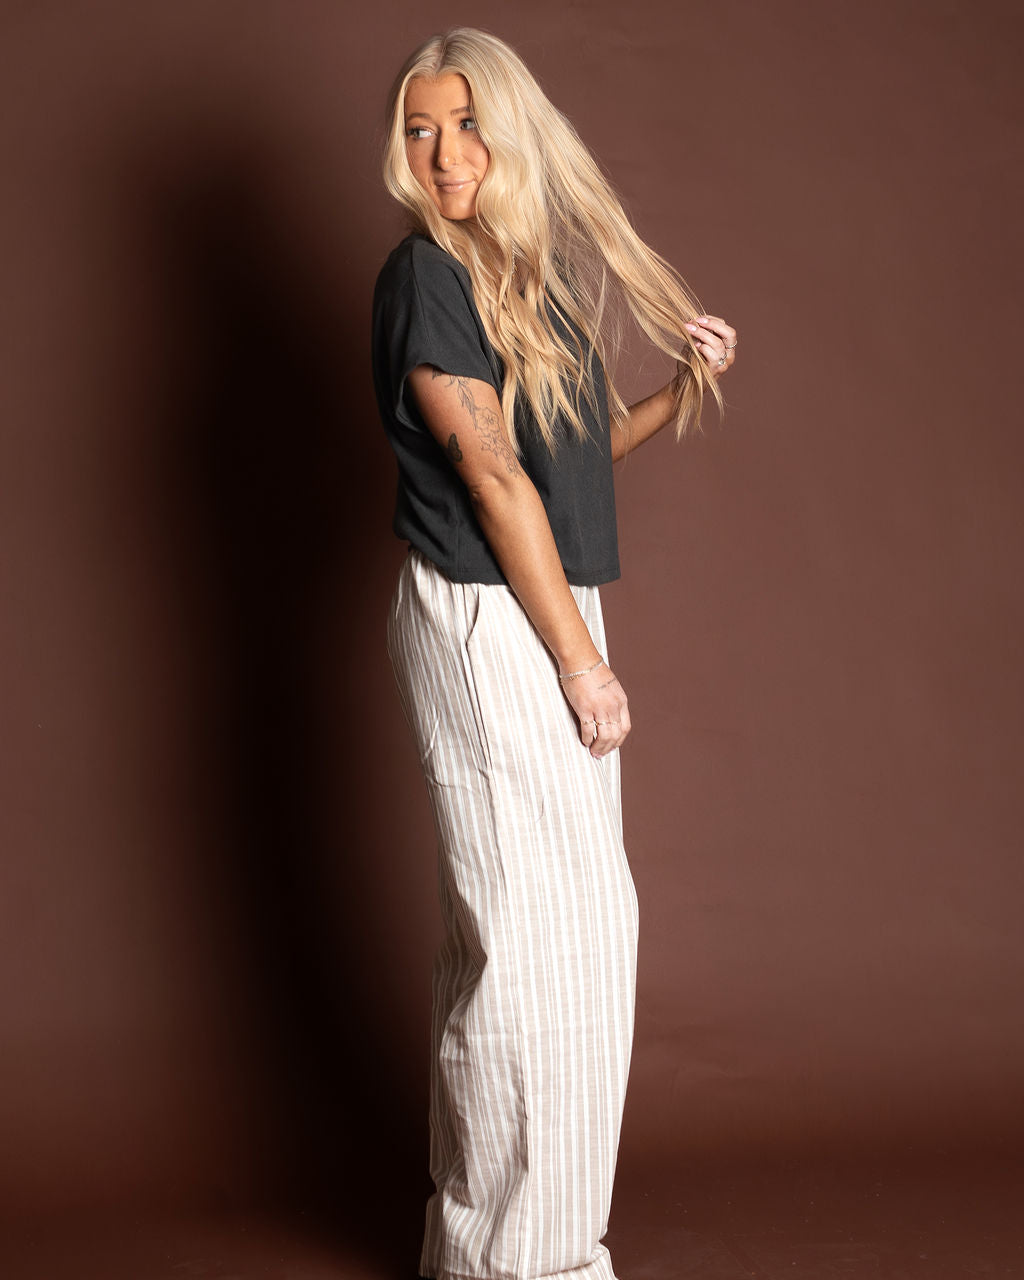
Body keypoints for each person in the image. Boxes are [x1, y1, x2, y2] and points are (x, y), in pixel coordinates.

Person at [371, 27, 737, 1280]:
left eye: (466, 124)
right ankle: (521, 1264)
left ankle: (500, 1253)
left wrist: (676, 394)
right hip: (490, 614)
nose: (443, 154)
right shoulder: (425, 276)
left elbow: (563, 463)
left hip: (537, 597)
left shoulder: (520, 277)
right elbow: (489, 476)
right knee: (538, 941)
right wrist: (581, 661)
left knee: (546, 934)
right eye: (420, 129)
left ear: (510, 132)